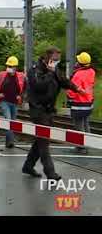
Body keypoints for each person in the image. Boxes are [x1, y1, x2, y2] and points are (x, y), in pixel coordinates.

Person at [22, 46, 84, 181]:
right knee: (44, 141)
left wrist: (77, 88)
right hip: (38, 110)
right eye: (55, 60)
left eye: (57, 60)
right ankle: (50, 173)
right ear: (47, 58)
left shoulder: (54, 69)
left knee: (40, 141)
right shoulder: (34, 70)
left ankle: (28, 166)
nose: (56, 62)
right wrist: (49, 73)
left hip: (49, 110)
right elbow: (39, 86)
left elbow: (63, 80)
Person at [0, 56, 26, 148]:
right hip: (4, 102)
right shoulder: (1, 75)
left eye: (11, 66)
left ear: (16, 67)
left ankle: (8, 142)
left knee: (12, 122)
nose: (9, 68)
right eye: (8, 66)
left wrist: (21, 96)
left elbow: (26, 87)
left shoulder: (20, 76)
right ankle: (10, 142)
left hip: (14, 102)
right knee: (8, 120)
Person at [66, 52, 95, 154]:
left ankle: (81, 147)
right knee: (86, 124)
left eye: (78, 61)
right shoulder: (92, 71)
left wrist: (68, 93)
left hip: (79, 104)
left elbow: (73, 90)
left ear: (80, 63)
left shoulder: (78, 74)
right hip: (89, 103)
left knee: (79, 126)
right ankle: (88, 143)